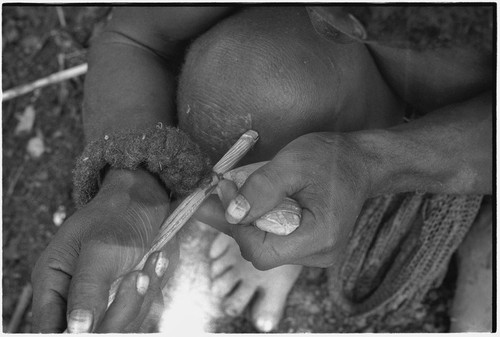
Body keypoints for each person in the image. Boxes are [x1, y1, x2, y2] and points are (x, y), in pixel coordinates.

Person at [31, 5, 492, 333]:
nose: (324, 13)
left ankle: (483, 240)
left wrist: (376, 163)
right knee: (251, 80)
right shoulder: (337, 18)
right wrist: (130, 184)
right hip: (369, 86)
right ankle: (281, 223)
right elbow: (133, 35)